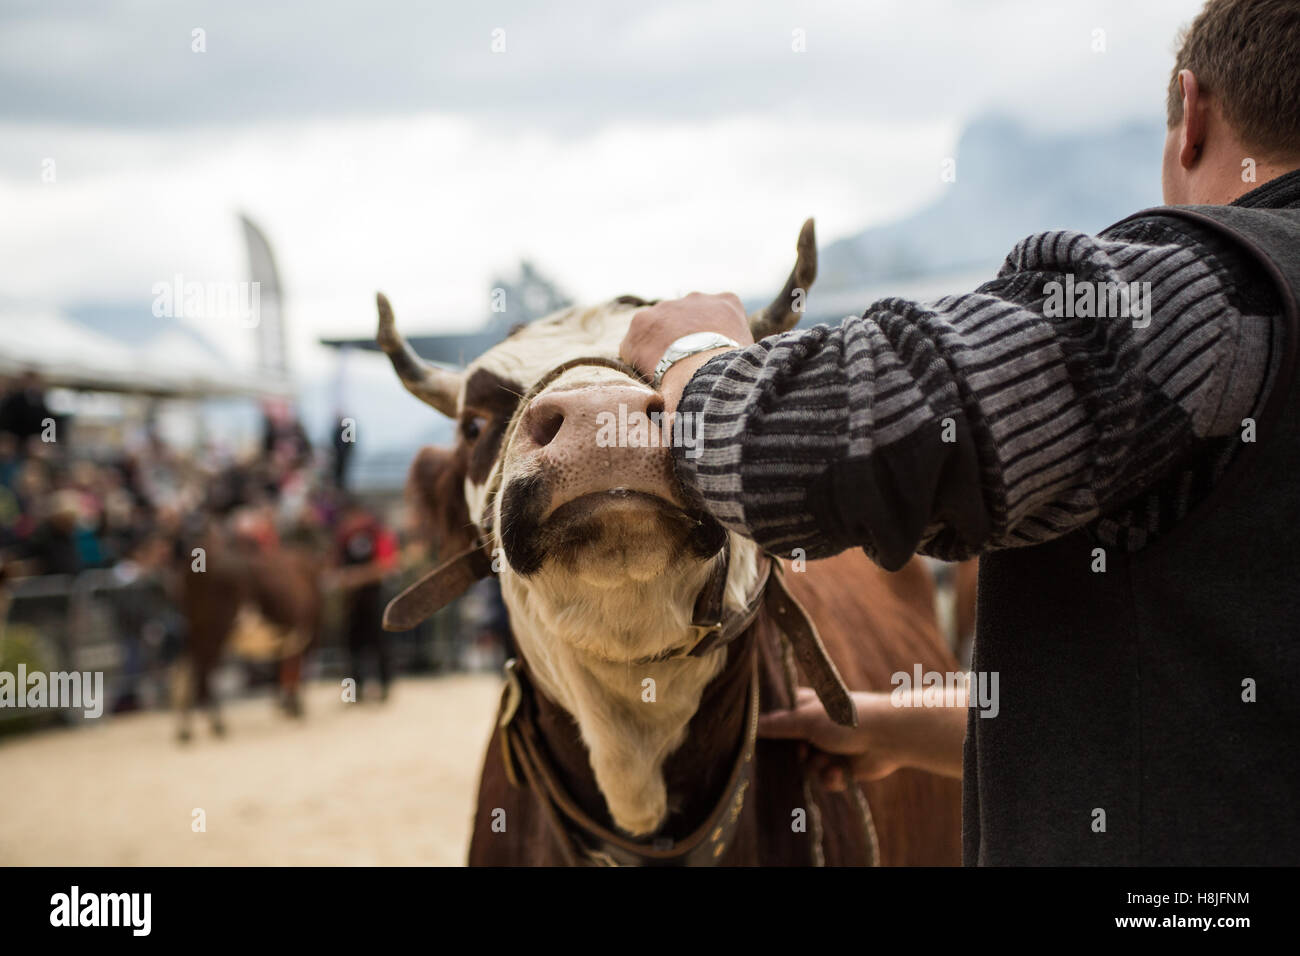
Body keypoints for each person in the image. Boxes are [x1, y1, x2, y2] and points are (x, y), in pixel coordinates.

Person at [619, 0, 1300, 865]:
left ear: (1191, 112)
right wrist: (928, 733)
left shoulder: (1206, 297)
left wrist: (694, 358)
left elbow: (832, 445)